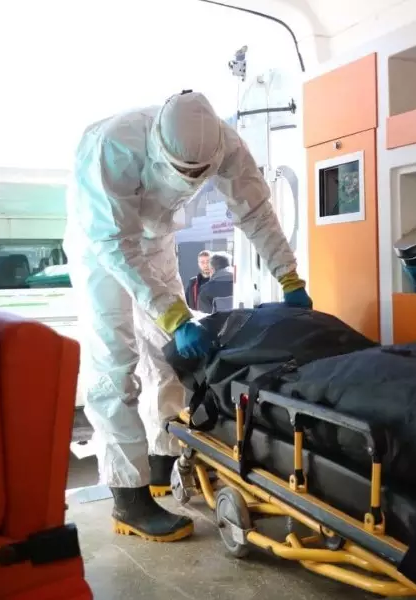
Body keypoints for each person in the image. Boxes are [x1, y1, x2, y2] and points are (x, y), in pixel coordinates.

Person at [63, 90, 313, 543]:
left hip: (157, 240)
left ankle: (162, 460)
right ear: (159, 147)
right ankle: (128, 496)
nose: (193, 180)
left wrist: (289, 277)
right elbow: (115, 245)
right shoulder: (114, 147)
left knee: (166, 357)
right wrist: (175, 316)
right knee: (115, 364)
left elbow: (256, 212)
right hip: (102, 244)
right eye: (184, 172)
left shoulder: (226, 144)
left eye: (201, 172)